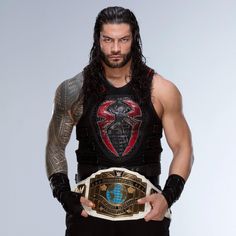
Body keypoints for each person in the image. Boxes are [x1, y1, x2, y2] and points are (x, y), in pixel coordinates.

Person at [46, 6, 193, 236]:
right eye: (108, 40)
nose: (115, 48)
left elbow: (184, 148)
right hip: (89, 215)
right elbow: (55, 145)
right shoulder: (73, 91)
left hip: (145, 216)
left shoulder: (162, 90)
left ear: (135, 39)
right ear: (98, 40)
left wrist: (167, 197)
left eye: (123, 39)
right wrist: (64, 194)